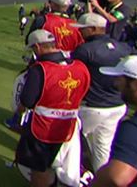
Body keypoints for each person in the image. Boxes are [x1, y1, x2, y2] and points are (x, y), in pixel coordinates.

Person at [15, 30, 91, 187]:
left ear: (38, 47)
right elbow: (83, 92)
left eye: (33, 49)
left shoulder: (39, 70)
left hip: (43, 128)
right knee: (56, 163)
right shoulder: (80, 67)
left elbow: (27, 101)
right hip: (68, 125)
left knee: (39, 168)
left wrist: (18, 113)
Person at [70, 13, 132, 171]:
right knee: (103, 147)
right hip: (117, 106)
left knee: (73, 143)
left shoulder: (84, 50)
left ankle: (73, 177)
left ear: (93, 29)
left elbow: (74, 77)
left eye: (82, 29)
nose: (80, 32)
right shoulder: (123, 47)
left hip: (92, 107)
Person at [92, 55, 137, 186]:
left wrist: (97, 181)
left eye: (121, 80)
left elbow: (118, 177)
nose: (116, 84)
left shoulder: (134, 128)